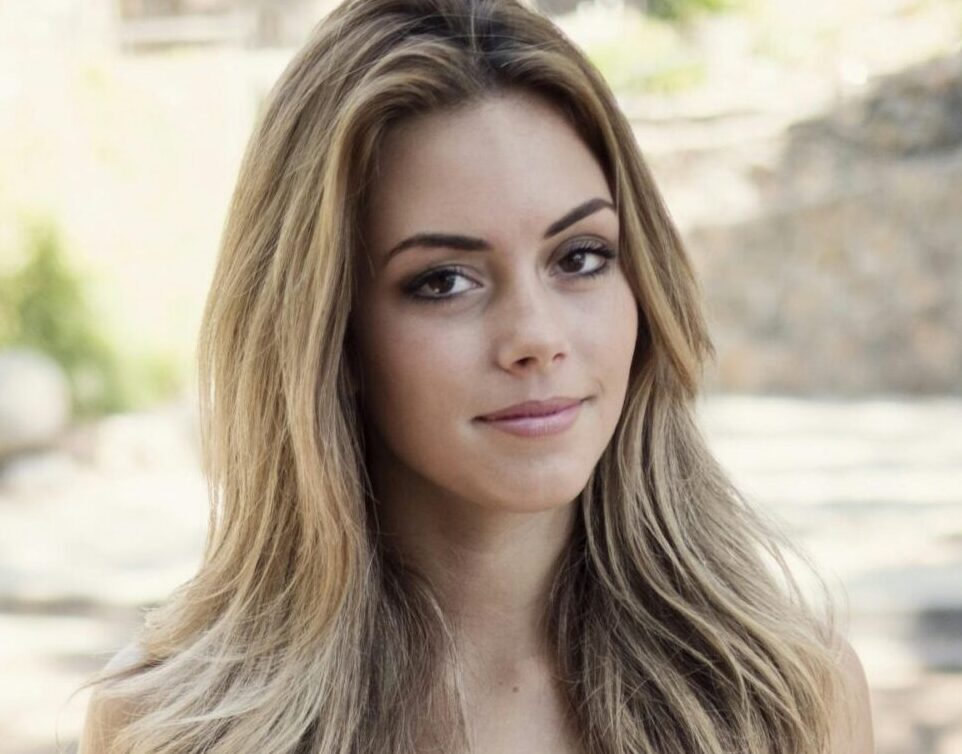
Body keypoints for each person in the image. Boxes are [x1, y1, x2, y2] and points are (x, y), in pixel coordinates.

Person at [75, 0, 875, 751]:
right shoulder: (169, 727)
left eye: (580, 258)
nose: (536, 337)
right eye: (445, 280)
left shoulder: (783, 698)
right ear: (331, 333)